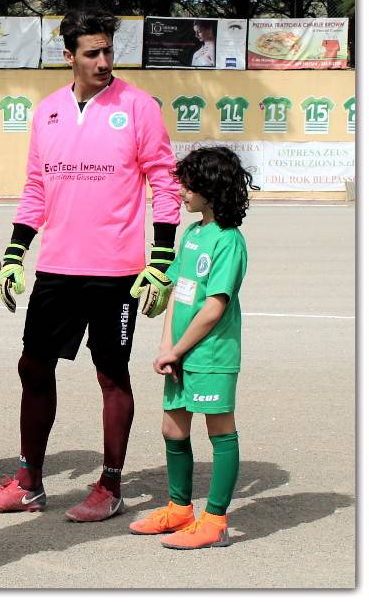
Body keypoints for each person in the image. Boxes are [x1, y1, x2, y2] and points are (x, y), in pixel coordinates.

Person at [0, 8, 182, 523]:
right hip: (59, 269)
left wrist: (160, 257)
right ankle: (28, 482)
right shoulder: (47, 112)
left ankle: (110, 486)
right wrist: (18, 250)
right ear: (68, 56)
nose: (104, 61)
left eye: (109, 50)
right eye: (93, 52)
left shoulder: (137, 107)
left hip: (118, 272)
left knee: (112, 374)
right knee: (33, 366)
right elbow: (37, 188)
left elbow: (164, 182)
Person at [128, 146, 253, 549]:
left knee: (220, 429)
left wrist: (178, 348)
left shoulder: (228, 241)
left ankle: (215, 521)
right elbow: (178, 294)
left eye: (188, 184)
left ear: (211, 189)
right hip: (180, 352)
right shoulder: (193, 233)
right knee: (172, 427)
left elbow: (214, 307)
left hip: (211, 353)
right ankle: (179, 510)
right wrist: (167, 346)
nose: (181, 191)